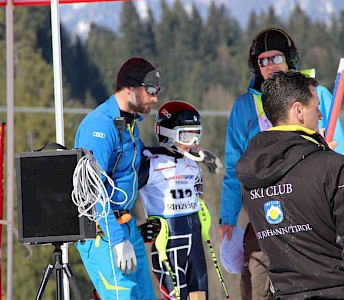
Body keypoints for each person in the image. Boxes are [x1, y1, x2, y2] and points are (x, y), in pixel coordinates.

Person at [218, 27, 344, 300]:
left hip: (312, 199)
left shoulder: (316, 93)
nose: (269, 66)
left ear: (289, 58)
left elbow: (339, 148)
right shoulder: (244, 107)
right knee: (255, 277)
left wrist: (326, 155)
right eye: (262, 61)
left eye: (275, 58)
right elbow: (233, 167)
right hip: (268, 205)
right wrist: (227, 217)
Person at [74, 57, 161, 300]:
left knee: (144, 297)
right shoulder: (99, 126)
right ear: (130, 88)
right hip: (103, 230)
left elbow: (139, 162)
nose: (155, 98)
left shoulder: (130, 123)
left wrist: (180, 153)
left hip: (125, 224)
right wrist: (116, 239)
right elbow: (93, 192)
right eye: (150, 90)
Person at [138, 100, 209, 300]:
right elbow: (121, 199)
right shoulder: (151, 163)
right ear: (167, 133)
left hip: (194, 241)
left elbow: (198, 194)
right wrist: (139, 230)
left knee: (201, 295)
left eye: (196, 135)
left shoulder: (193, 164)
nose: (192, 143)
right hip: (168, 243)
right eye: (186, 135)